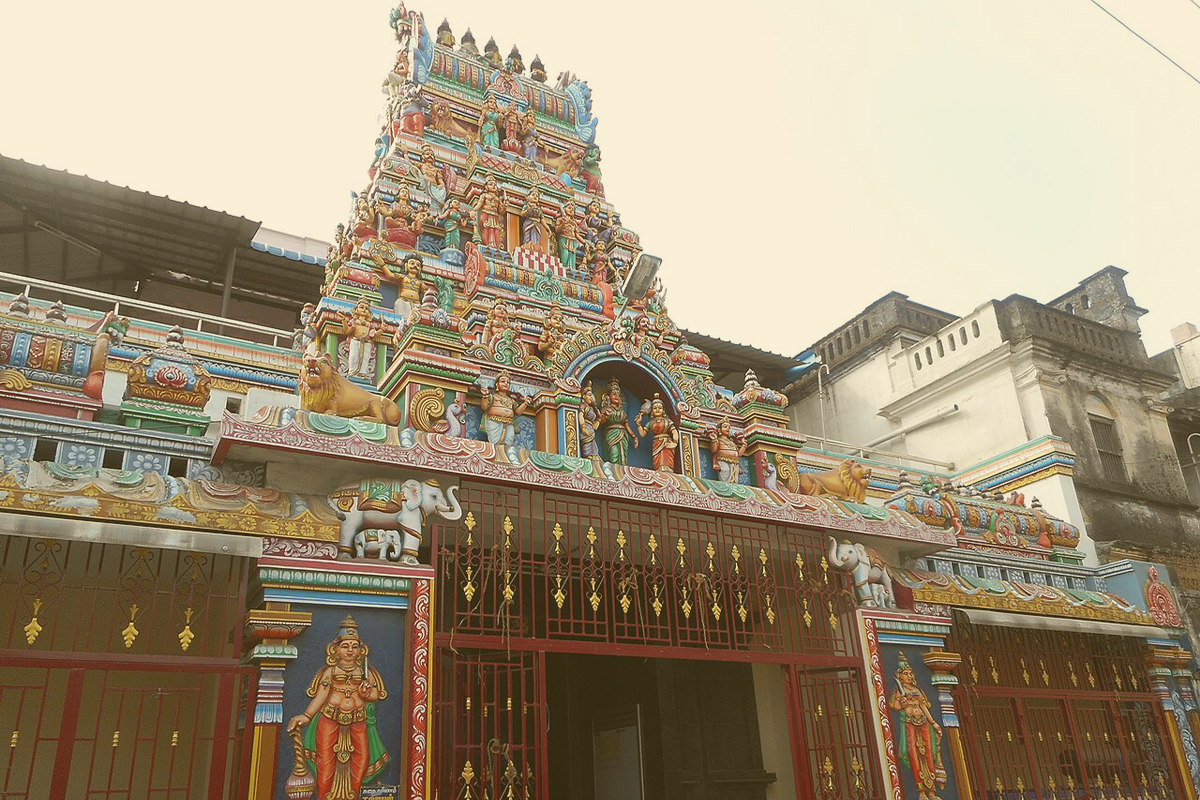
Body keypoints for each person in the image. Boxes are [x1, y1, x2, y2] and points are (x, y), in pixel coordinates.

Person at [286, 615, 389, 800]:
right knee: (324, 762)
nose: (350, 650)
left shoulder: (366, 673)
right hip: (329, 719)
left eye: (354, 646)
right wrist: (306, 716)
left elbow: (374, 695)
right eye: (345, 646)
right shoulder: (330, 672)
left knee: (362, 759)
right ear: (335, 649)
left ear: (361, 650)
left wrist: (366, 693)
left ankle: (354, 795)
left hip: (358, 721)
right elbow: (321, 696)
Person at [889, 651, 946, 800]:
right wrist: (901, 702)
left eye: (910, 673)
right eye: (905, 673)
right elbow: (894, 706)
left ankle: (932, 792)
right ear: (900, 676)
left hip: (924, 724)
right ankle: (921, 792)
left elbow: (923, 706)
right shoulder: (898, 691)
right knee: (913, 755)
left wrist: (933, 723)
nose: (909, 676)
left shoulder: (917, 690)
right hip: (909, 724)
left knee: (928, 754)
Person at [480, 371, 530, 452]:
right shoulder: (493, 396)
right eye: (503, 381)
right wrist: (485, 396)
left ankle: (505, 455)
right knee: (495, 443)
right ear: (497, 384)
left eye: (508, 382)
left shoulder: (511, 400)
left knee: (508, 442)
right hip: (494, 421)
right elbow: (484, 407)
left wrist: (525, 403)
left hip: (509, 423)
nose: (506, 384)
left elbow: (517, 412)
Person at [598, 377, 638, 465]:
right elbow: (599, 423)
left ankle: (622, 470)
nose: (617, 396)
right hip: (611, 433)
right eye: (614, 394)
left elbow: (627, 426)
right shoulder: (605, 409)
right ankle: (614, 471)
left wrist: (634, 437)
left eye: (618, 395)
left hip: (623, 434)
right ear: (608, 397)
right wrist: (605, 417)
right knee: (614, 454)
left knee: (623, 455)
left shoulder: (622, 411)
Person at [636, 394, 678, 472]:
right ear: (651, 411)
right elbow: (642, 434)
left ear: (663, 411)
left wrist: (675, 442)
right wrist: (638, 424)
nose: (657, 410)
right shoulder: (650, 423)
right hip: (656, 443)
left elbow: (674, 431)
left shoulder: (667, 421)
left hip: (666, 443)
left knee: (666, 460)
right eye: (655, 408)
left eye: (660, 408)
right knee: (658, 461)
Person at [708, 418, 747, 482]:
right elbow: (714, 450)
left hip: (734, 462)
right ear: (719, 430)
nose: (727, 429)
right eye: (725, 427)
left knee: (735, 476)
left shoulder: (732, 442)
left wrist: (744, 445)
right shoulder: (719, 440)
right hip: (723, 460)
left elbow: (739, 454)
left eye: (729, 427)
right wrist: (713, 439)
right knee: (725, 470)